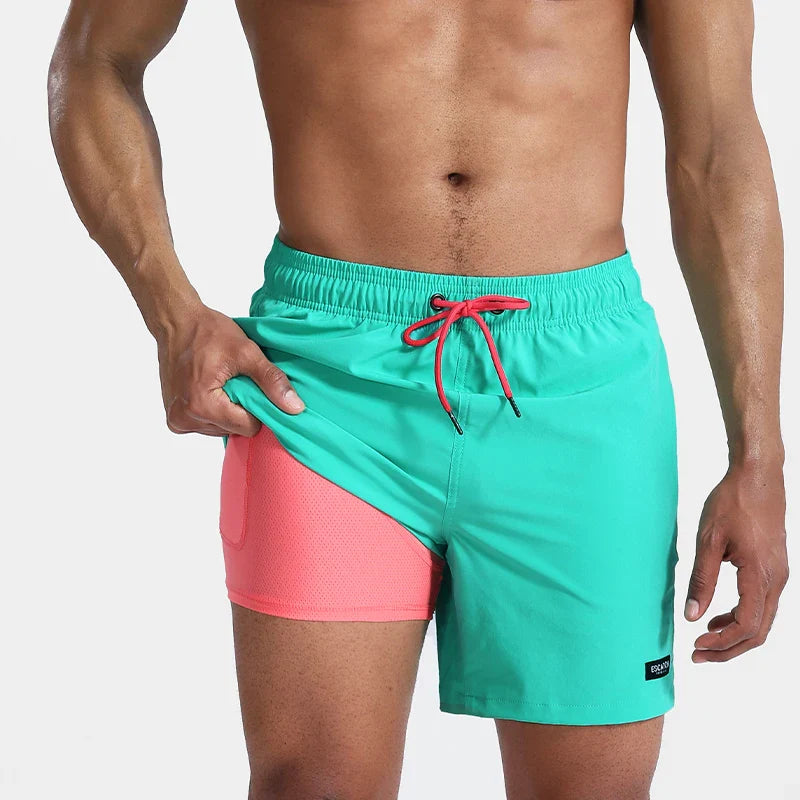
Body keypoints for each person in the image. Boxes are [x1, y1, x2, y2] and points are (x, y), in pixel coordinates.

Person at [48, 1, 788, 797]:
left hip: (579, 386)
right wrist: (172, 314)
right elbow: (92, 62)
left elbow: (717, 144)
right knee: (312, 786)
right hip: (327, 383)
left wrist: (760, 454)